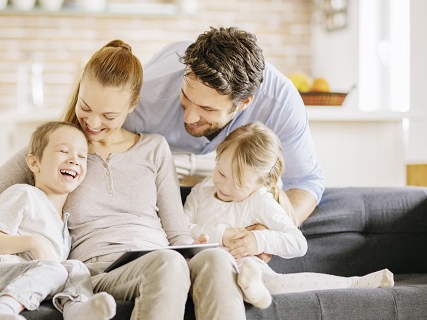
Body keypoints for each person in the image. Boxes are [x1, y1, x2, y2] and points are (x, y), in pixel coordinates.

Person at [0, 40, 249, 320]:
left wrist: (196, 247)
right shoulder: (58, 151)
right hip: (102, 269)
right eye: (85, 107)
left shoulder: (154, 149)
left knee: (216, 260)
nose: (92, 123)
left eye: (108, 115)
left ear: (133, 105)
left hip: (162, 256)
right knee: (168, 264)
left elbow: (177, 235)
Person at [123, 26, 325, 225]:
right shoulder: (144, 95)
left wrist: (268, 232)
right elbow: (97, 129)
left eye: (207, 109)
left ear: (244, 103)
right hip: (161, 151)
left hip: (225, 163)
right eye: (185, 97)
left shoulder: (280, 102)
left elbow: (306, 182)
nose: (189, 117)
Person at [184, 122, 394, 309]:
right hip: (206, 267)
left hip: (244, 265)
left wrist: (258, 240)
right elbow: (180, 227)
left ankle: (354, 283)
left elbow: (297, 243)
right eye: (220, 172)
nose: (223, 184)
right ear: (217, 156)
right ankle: (255, 292)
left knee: (270, 279)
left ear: (261, 183)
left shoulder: (259, 200)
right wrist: (221, 234)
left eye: (238, 184)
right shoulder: (202, 190)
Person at [0, 121, 116, 320]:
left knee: (76, 267)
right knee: (56, 270)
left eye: (82, 156)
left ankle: (75, 312)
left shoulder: (64, 226)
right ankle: (1, 309)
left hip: (32, 280)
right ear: (35, 163)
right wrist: (32, 243)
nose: (73, 159)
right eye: (63, 151)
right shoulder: (24, 195)